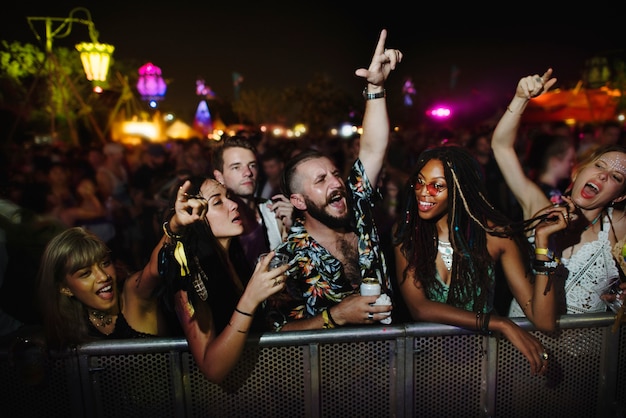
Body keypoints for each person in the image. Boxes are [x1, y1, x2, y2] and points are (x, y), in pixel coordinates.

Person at [264, 29, 401, 331]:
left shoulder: (360, 214)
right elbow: (275, 330)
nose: (336, 183)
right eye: (320, 180)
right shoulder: (289, 258)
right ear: (298, 201)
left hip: (390, 363)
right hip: (331, 375)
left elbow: (374, 147)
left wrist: (375, 88)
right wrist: (335, 316)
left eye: (335, 174)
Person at [393, 145, 561, 376]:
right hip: (426, 363)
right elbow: (420, 308)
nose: (423, 192)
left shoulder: (496, 237)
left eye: (437, 186)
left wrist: (544, 246)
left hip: (482, 362)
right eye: (420, 182)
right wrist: (499, 323)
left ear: (461, 190)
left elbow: (544, 320)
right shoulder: (408, 235)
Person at [491, 68, 626, 315]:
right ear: (578, 172)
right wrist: (521, 98)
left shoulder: (618, 228)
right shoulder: (540, 208)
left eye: (616, 177)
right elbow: (501, 147)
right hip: (524, 345)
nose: (603, 175)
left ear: (619, 196)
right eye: (598, 166)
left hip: (586, 350)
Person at [158, 176, 287, 383]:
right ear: (193, 217)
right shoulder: (189, 276)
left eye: (229, 197)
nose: (234, 204)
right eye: (218, 202)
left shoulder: (235, 259)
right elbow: (212, 369)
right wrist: (250, 299)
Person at [36, 226, 178, 350]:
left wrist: (175, 226)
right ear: (65, 288)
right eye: (86, 273)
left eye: (105, 263)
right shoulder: (64, 328)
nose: (103, 277)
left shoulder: (134, 293)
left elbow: (154, 269)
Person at [212, 135, 293, 268]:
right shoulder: (216, 223)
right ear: (219, 176)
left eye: (252, 165)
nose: (248, 173)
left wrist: (291, 228)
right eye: (236, 167)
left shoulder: (273, 212)